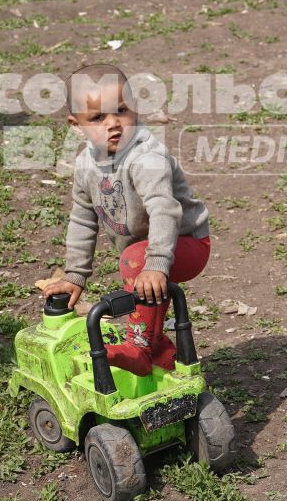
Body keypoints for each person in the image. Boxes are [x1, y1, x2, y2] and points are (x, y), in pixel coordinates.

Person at [44, 64, 210, 376]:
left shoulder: (146, 157)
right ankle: (160, 354)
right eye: (97, 118)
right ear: (75, 124)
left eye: (121, 110)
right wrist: (75, 275)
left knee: (136, 261)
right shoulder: (85, 165)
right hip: (145, 251)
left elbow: (165, 210)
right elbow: (82, 219)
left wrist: (156, 263)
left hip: (187, 242)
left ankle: (139, 348)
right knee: (138, 265)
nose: (113, 124)